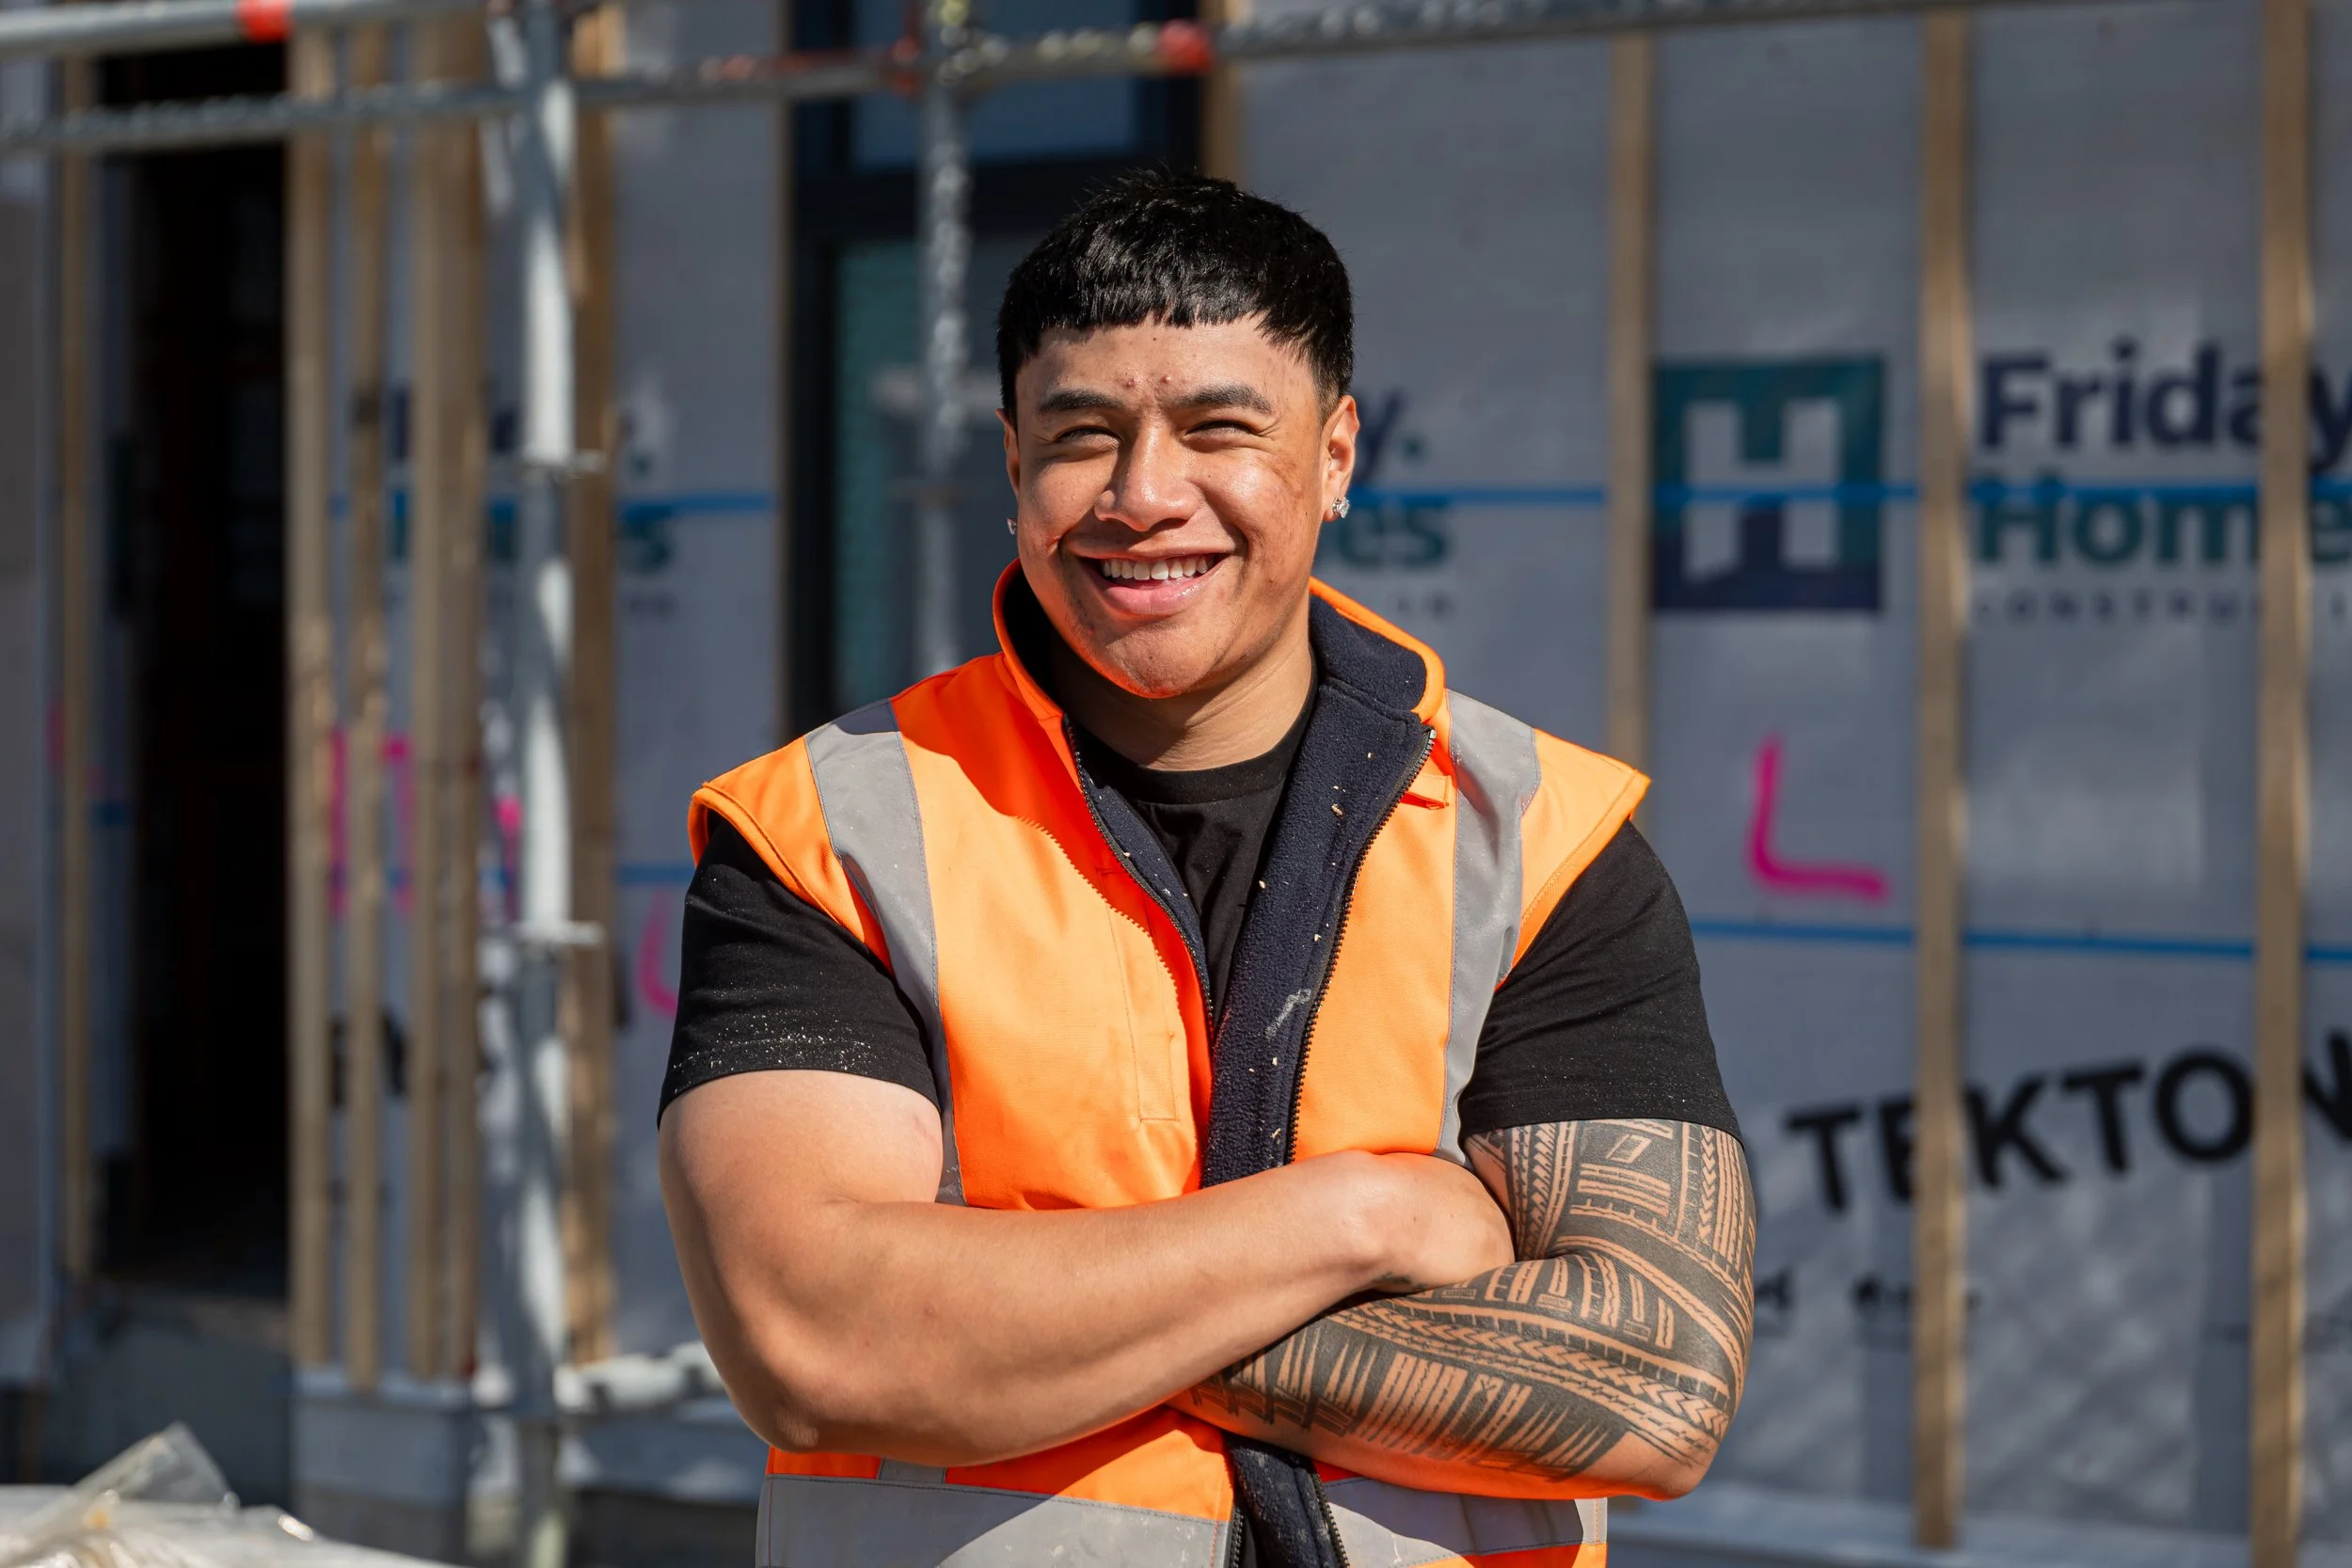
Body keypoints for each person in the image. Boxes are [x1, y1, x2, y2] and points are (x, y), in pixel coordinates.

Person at [658, 169, 1755, 1568]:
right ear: (1012, 463)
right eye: (1083, 435)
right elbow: (814, 1343)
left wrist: (1014, 1322)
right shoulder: (829, 834)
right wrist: (1359, 1215)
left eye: (1221, 429)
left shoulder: (1539, 840)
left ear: (1338, 454)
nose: (1144, 496)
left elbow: (1656, 1387)